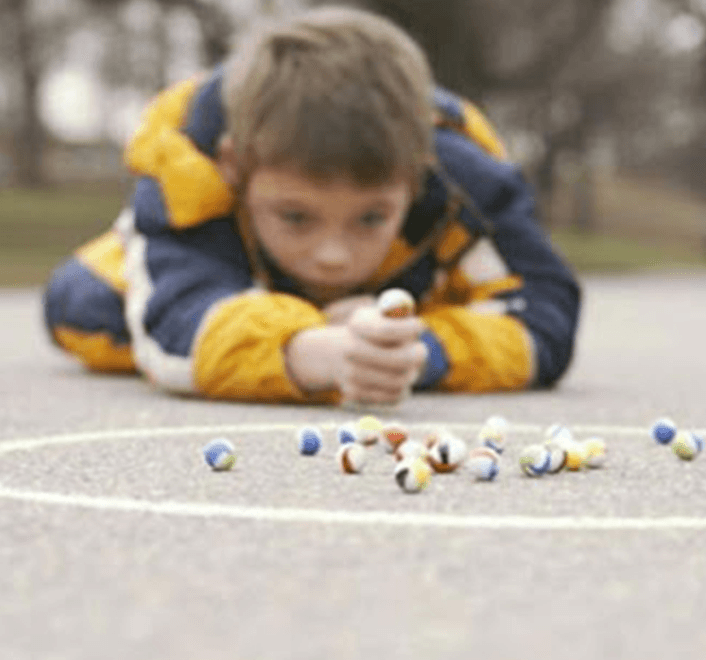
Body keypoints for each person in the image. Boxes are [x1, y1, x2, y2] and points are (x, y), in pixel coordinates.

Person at [42, 6, 581, 406]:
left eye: (371, 216)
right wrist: (313, 351)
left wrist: (419, 349)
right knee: (84, 302)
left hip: (395, 304)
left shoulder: (465, 175)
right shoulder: (192, 167)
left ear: (417, 172)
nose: (334, 257)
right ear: (235, 165)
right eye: (297, 216)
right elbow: (178, 324)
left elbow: (545, 318)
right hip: (219, 274)